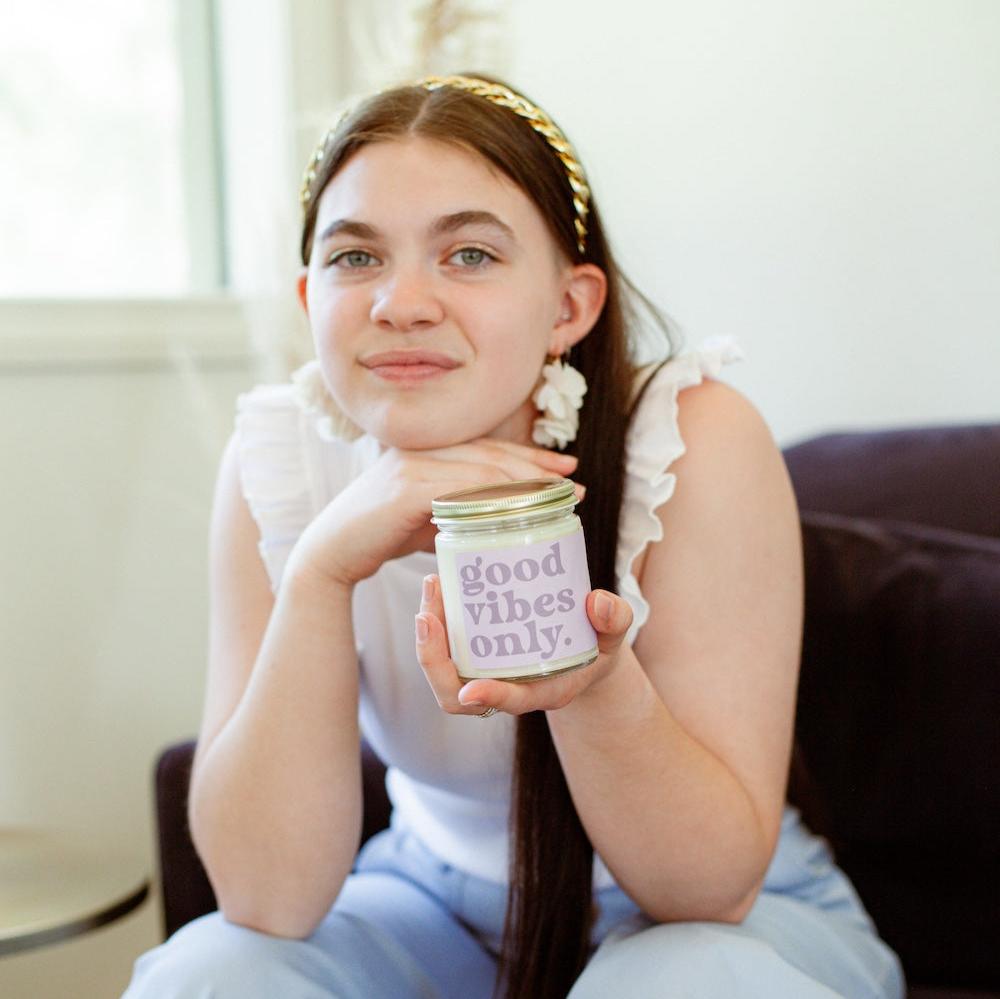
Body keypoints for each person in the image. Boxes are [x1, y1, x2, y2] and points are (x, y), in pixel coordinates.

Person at [123, 74, 905, 998]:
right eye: (355, 258)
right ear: (308, 296)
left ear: (570, 307)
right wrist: (321, 572)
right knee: (214, 974)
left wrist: (596, 684)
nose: (400, 303)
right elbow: (267, 900)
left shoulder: (692, 437)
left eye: (469, 255)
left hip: (718, 915)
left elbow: (705, 888)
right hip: (432, 904)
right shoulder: (281, 459)